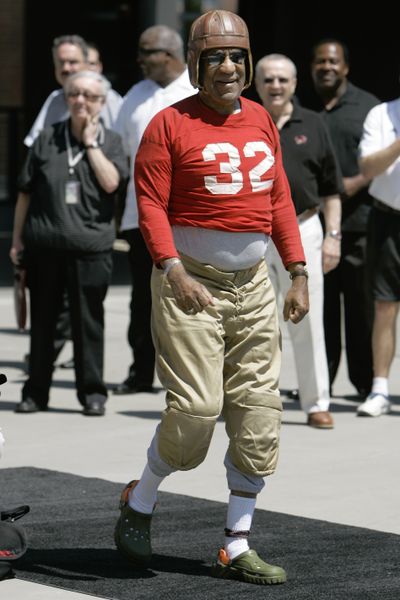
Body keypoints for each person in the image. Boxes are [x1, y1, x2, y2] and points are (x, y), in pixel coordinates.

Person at [114, 10, 308, 586]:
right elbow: (149, 205)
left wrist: (296, 270)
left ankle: (237, 541)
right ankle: (140, 500)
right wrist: (171, 268)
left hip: (253, 287)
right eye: (216, 57)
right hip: (188, 284)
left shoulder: (262, 121)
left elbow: (277, 199)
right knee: (196, 410)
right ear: (196, 64)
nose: (227, 67)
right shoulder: (166, 124)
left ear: (248, 63)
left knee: (258, 414)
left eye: (237, 57)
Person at [10, 70, 128, 416]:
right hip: (44, 247)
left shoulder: (112, 142)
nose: (80, 101)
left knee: (88, 322)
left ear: (101, 103)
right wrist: (16, 241)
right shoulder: (47, 138)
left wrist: (90, 144)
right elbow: (24, 195)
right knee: (43, 324)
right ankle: (36, 393)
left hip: (91, 249)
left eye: (89, 96)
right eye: (74, 94)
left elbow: (111, 184)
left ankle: (92, 393)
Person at [255, 53, 342, 429]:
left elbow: (331, 189)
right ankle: (257, 401)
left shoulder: (315, 124)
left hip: (305, 228)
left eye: (282, 80)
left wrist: (333, 237)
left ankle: (316, 402)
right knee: (256, 321)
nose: (275, 86)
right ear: (256, 84)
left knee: (308, 320)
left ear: (293, 84)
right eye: (268, 80)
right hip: (253, 233)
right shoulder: (242, 121)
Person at [112, 25, 195, 395]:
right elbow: (118, 153)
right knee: (142, 299)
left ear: (169, 55)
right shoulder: (135, 95)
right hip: (139, 215)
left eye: (147, 52)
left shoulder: (194, 91)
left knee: (187, 297)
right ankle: (141, 371)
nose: (140, 59)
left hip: (186, 217)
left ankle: (186, 376)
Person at [311, 39, 379, 398]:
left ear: (346, 67)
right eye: (320, 61)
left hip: (359, 225)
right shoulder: (301, 107)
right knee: (319, 308)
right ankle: (322, 382)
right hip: (313, 226)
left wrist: (339, 190)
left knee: (359, 308)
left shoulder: (368, 108)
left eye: (333, 61)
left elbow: (379, 165)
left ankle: (367, 383)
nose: (327, 67)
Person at [357, 92, 400, 416]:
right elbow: (368, 167)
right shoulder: (381, 114)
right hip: (389, 218)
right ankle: (380, 389)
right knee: (384, 305)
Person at [24, 35, 122, 147]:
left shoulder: (107, 97)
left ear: (86, 64)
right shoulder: (55, 99)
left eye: (73, 62)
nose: (66, 68)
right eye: (61, 62)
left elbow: (121, 146)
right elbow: (36, 145)